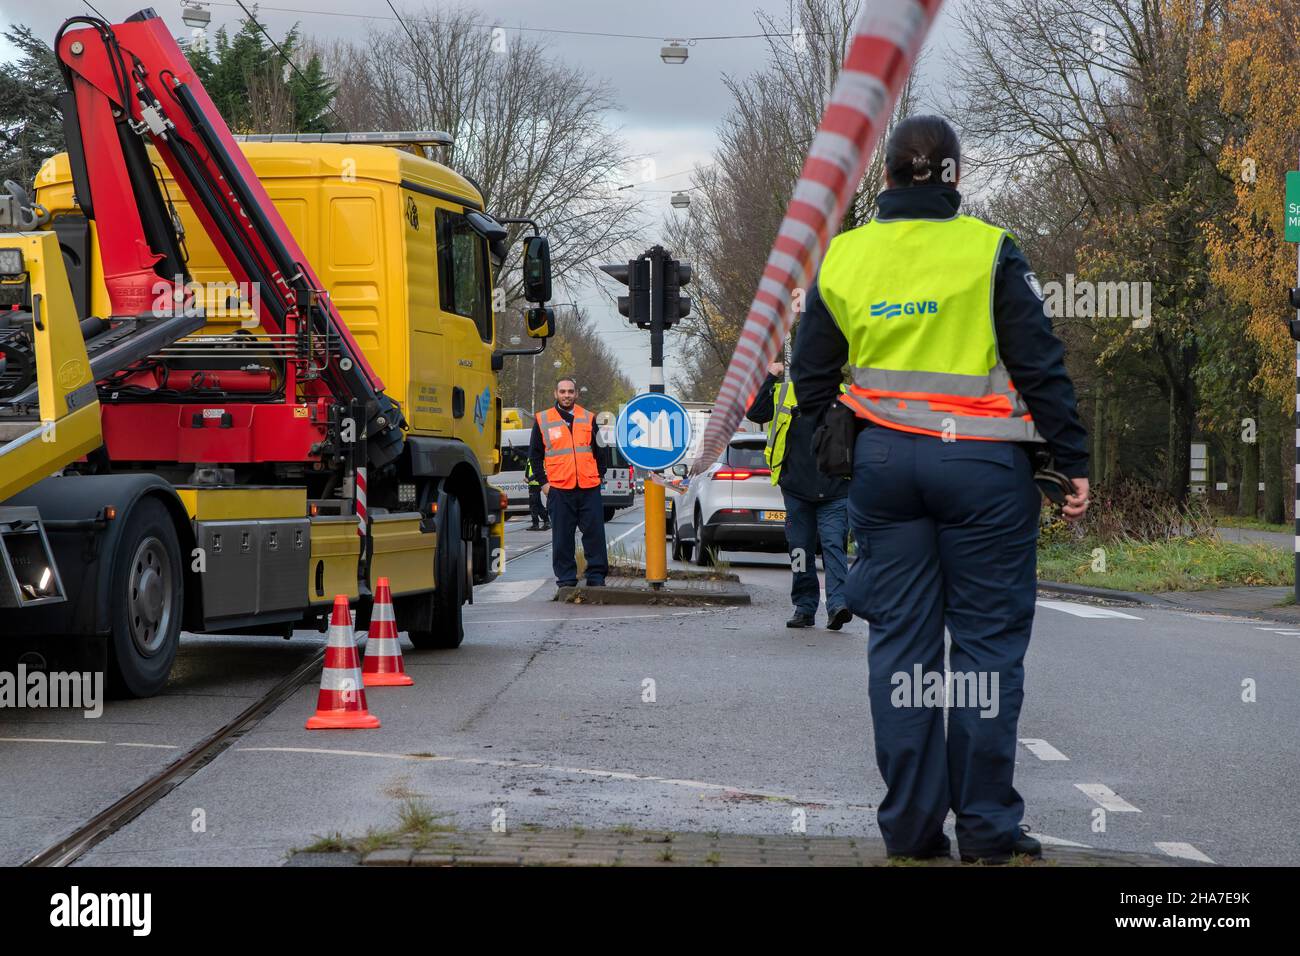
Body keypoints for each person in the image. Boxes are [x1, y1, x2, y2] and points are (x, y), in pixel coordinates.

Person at [791, 115, 1090, 865]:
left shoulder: (843, 258)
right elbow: (1039, 362)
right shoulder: (989, 250)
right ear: (954, 178)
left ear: (885, 178)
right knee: (987, 652)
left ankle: (910, 830)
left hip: (888, 470)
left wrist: (840, 426)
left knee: (901, 650)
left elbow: (810, 374)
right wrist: (1073, 457)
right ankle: (987, 831)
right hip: (984, 472)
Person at [746, 360, 852, 630]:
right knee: (800, 550)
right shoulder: (785, 392)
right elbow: (756, 413)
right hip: (796, 489)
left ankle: (838, 605)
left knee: (833, 547)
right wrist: (770, 376)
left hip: (836, 489)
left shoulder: (848, 396)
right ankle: (804, 607)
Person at [529, 378, 609, 587]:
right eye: (563, 391)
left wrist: (599, 476)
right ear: (555, 393)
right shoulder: (542, 420)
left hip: (589, 488)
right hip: (559, 490)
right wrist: (545, 484)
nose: (567, 395)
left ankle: (596, 577)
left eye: (570, 391)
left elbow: (602, 449)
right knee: (562, 538)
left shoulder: (589, 418)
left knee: (595, 536)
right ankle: (566, 580)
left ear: (576, 394)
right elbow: (535, 457)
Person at [524, 457, 548, 531]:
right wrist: (513, 449)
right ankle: (546, 522)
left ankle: (537, 524)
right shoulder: (531, 456)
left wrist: (529, 479)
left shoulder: (537, 457)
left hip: (535, 483)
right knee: (537, 504)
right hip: (533, 483)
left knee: (533, 504)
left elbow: (539, 471)